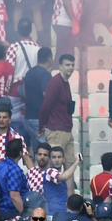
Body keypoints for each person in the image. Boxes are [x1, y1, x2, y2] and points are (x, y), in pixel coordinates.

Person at [39, 53, 76, 190]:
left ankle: (70, 203)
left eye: (72, 65)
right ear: (60, 66)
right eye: (67, 65)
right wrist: (41, 126)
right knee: (53, 167)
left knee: (70, 166)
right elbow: (45, 106)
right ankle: (52, 199)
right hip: (56, 130)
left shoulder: (65, 83)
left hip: (66, 130)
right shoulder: (55, 82)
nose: (70, 68)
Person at [22, 46, 52, 153]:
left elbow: (24, 93)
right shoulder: (45, 75)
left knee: (36, 151)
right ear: (50, 59)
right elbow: (47, 96)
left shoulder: (29, 73)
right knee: (44, 151)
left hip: (28, 118)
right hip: (39, 120)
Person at [0, 138, 29, 221]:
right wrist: (25, 215)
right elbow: (14, 196)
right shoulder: (14, 170)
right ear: (20, 153)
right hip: (11, 213)